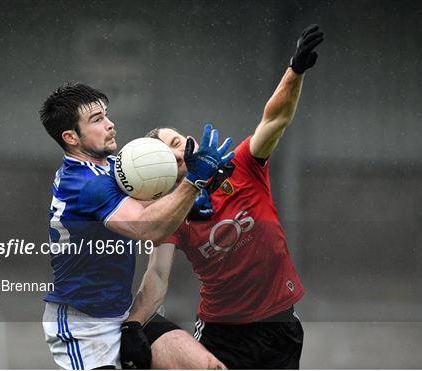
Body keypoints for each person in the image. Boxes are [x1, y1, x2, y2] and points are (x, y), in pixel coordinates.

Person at [121, 24, 324, 369]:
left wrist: (294, 71)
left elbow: (275, 119)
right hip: (223, 334)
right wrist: (132, 325)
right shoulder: (174, 212)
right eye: (167, 159)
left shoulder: (243, 163)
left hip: (281, 325)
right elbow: (157, 276)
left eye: (175, 143)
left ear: (190, 138)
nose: (178, 153)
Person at [38, 83, 233, 369]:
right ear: (71, 137)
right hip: (84, 329)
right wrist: (194, 183)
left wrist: (197, 181)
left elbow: (155, 197)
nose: (110, 124)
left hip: (123, 311)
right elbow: (147, 227)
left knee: (209, 367)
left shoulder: (113, 166)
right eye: (96, 120)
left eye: (106, 115)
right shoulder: (85, 183)